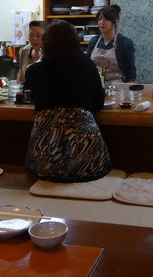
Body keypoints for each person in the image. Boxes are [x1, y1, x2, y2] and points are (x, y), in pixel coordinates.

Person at [24, 19, 111, 182]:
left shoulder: (34, 71)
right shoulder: (87, 65)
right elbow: (98, 103)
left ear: (46, 43)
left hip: (45, 157)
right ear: (75, 41)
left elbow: (29, 99)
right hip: (85, 156)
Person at [86, 4, 136, 83]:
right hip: (95, 85)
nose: (102, 22)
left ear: (116, 22)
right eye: (100, 19)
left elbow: (130, 74)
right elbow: (87, 66)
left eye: (106, 19)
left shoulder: (125, 43)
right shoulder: (94, 41)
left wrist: (129, 89)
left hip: (117, 87)